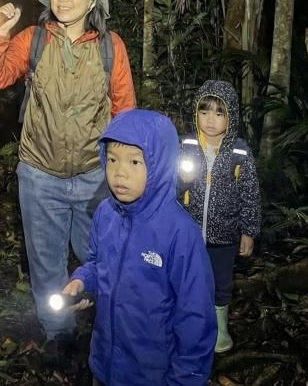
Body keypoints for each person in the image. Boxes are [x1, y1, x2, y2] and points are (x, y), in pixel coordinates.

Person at [0, 0, 136, 354]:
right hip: (39, 175)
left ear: (91, 0)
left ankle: (108, 324)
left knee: (99, 257)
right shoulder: (34, 40)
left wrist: (125, 171)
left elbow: (126, 112)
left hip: (93, 175)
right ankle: (58, 332)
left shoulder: (110, 47)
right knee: (46, 262)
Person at [62, 109, 217, 386]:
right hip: (105, 364)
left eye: (135, 162)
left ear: (159, 165)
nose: (119, 172)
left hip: (153, 375)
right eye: (111, 159)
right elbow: (99, 265)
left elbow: (196, 317)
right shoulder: (105, 215)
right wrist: (84, 281)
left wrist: (185, 380)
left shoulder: (180, 233)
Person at [178, 79, 261, 353]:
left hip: (224, 234)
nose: (210, 120)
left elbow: (250, 194)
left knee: (220, 281)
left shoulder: (239, 153)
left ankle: (220, 326)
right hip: (189, 232)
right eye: (204, 112)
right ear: (195, 114)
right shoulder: (186, 145)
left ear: (231, 116)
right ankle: (187, 324)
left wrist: (248, 231)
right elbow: (173, 186)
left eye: (218, 113)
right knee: (187, 278)